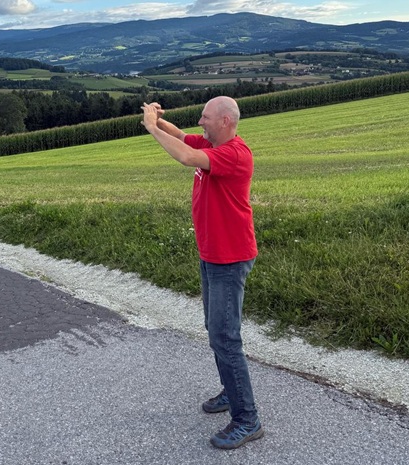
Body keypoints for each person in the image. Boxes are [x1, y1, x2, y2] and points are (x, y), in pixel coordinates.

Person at [140, 96, 263, 450]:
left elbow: (184, 156)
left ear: (225, 121)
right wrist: (159, 121)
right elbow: (182, 137)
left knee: (225, 337)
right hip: (212, 255)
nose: (200, 122)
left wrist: (150, 127)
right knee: (216, 330)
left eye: (205, 118)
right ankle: (231, 390)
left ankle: (247, 419)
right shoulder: (211, 144)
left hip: (230, 258)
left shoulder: (234, 154)